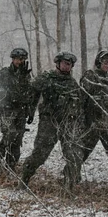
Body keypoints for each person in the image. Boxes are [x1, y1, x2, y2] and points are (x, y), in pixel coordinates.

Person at [20, 51, 84, 190]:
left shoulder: (72, 84)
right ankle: (24, 178)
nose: (68, 67)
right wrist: (30, 111)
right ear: (58, 63)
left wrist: (79, 121)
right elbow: (31, 91)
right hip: (49, 123)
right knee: (40, 154)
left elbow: (78, 105)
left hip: (68, 123)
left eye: (70, 65)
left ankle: (68, 186)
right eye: (65, 63)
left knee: (74, 155)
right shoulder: (47, 78)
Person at [80, 50, 108, 186]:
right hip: (90, 119)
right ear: (99, 62)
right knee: (83, 151)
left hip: (103, 118)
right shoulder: (90, 75)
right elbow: (84, 98)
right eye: (105, 62)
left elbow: (106, 103)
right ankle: (71, 173)